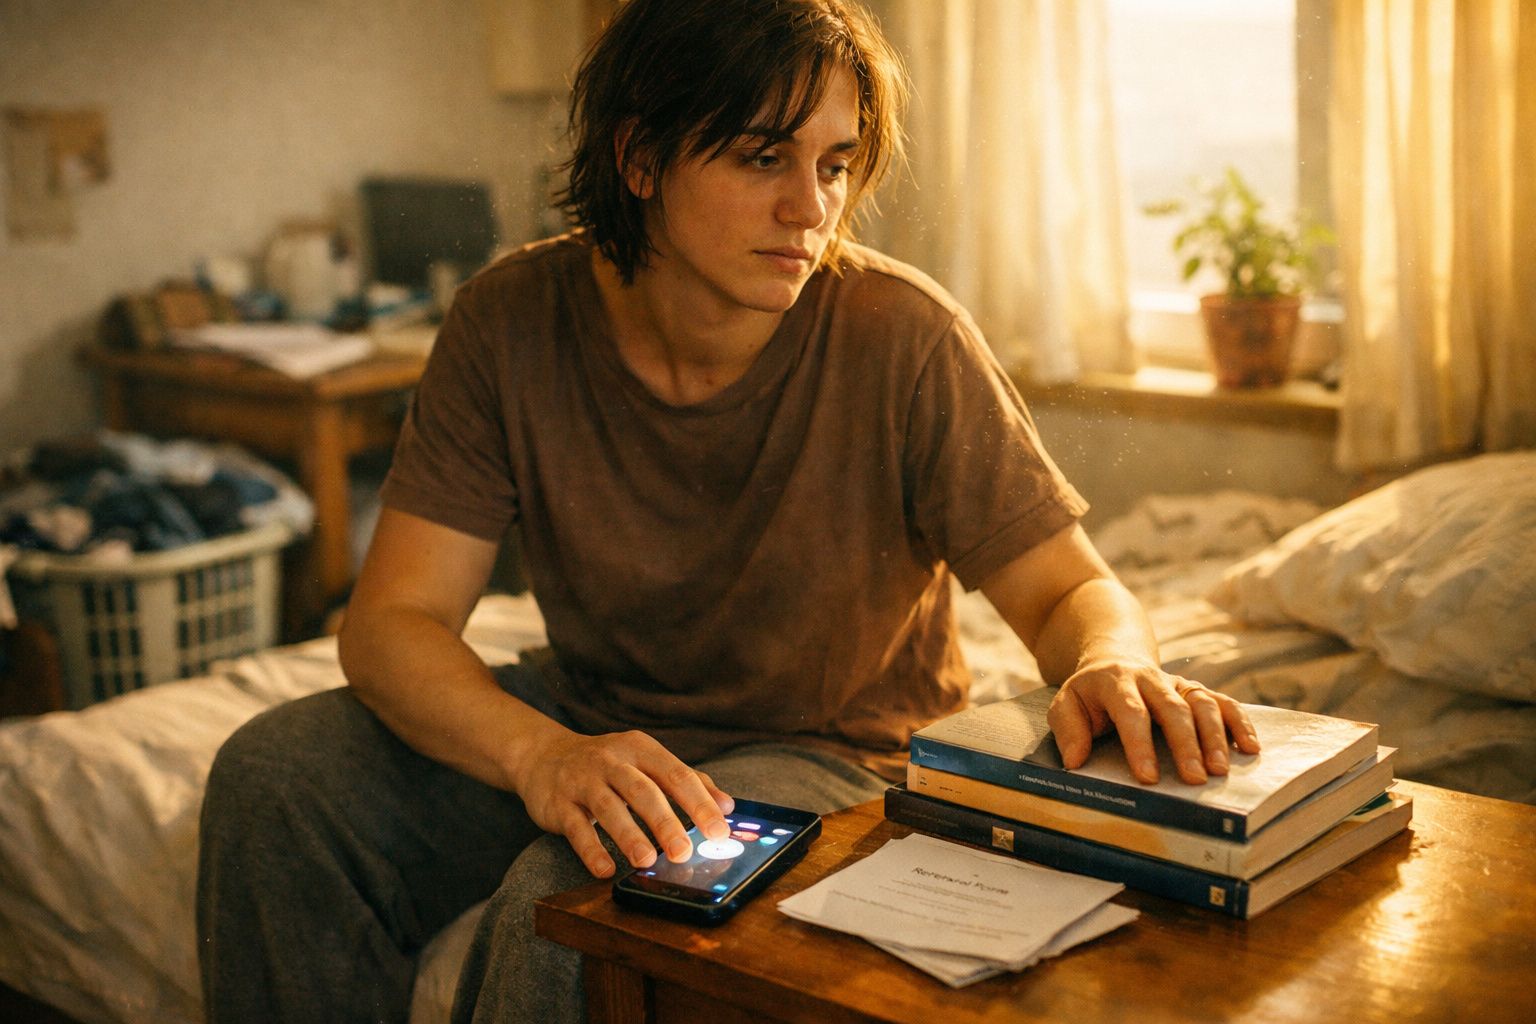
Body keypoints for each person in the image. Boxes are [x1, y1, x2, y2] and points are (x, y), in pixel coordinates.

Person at [196, 1, 1261, 1020]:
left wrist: (1108, 661)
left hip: (826, 751)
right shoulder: (510, 319)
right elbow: (392, 625)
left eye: (835, 165)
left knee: (572, 893)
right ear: (640, 159)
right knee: (274, 779)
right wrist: (542, 755)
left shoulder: (903, 336)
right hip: (594, 713)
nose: (812, 207)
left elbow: (1071, 587)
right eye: (764, 158)